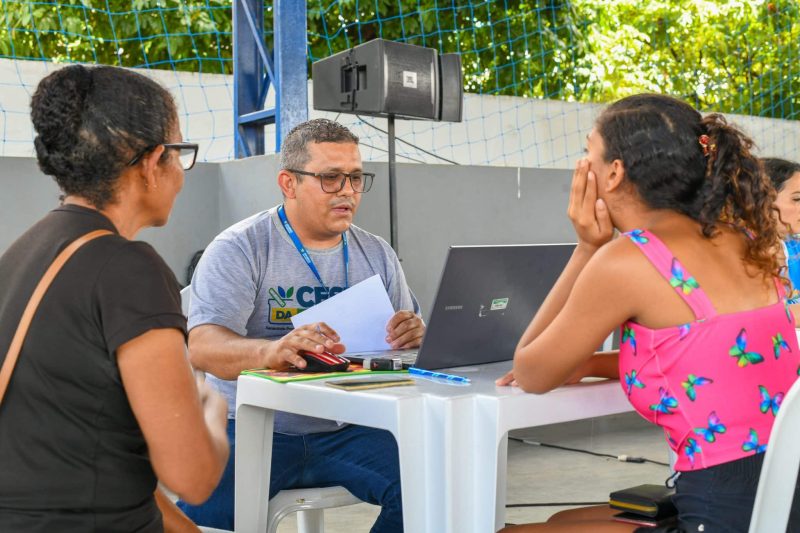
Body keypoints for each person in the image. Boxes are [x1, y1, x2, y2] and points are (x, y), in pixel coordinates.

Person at [497, 94, 800, 532]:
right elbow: (708, 355)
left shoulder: (629, 260)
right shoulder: (746, 238)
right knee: (567, 518)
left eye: (588, 153)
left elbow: (531, 372)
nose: (584, 167)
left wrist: (587, 247)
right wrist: (593, 363)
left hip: (721, 516)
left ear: (615, 172)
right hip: (778, 501)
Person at [0, 65, 229, 532]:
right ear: (151, 163)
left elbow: (86, 445)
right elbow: (193, 477)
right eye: (179, 154)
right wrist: (213, 411)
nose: (181, 177)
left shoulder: (23, 252)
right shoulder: (129, 270)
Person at [178, 118, 425, 532]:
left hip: (345, 430)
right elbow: (201, 346)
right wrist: (269, 352)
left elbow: (406, 350)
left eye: (356, 178)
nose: (348, 190)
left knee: (433, 484)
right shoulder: (240, 248)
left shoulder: (377, 253)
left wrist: (414, 332)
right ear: (288, 184)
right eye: (331, 178)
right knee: (202, 514)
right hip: (251, 427)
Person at [763, 157, 800, 303]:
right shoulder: (750, 254)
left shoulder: (792, 244)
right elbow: (777, 314)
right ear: (764, 200)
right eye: (797, 199)